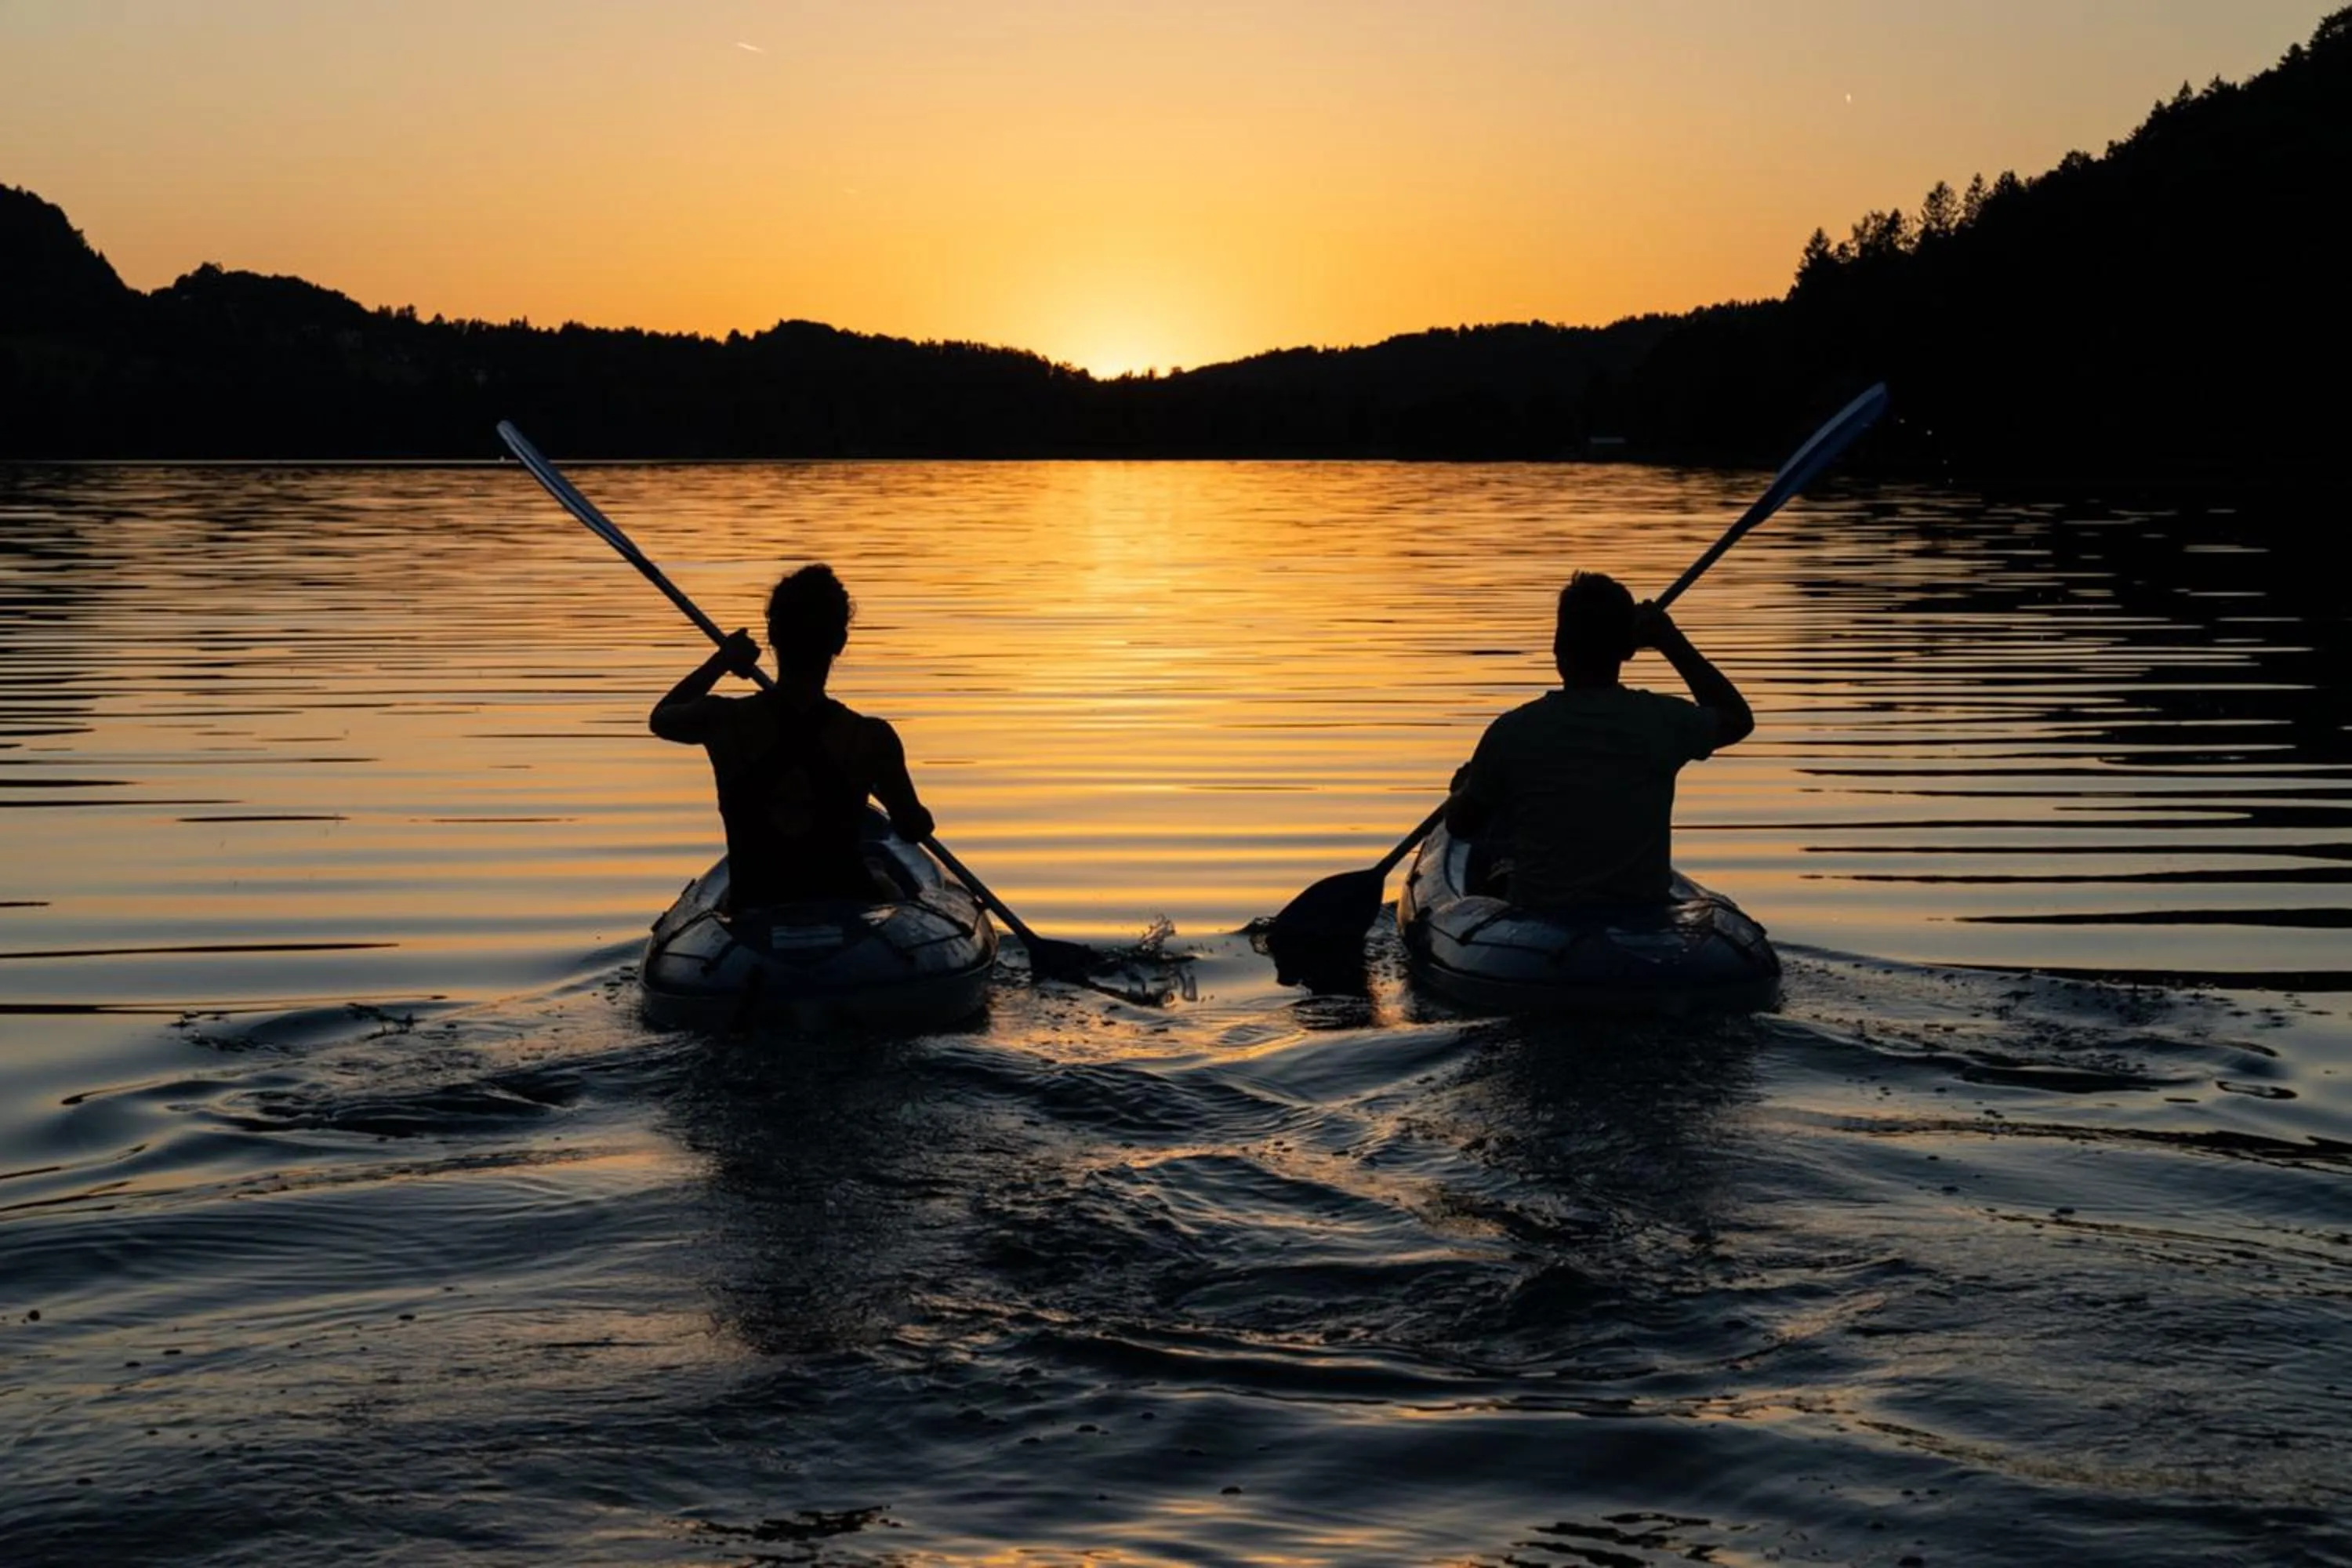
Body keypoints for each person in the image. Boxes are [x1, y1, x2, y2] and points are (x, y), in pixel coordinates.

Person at [1443, 571, 1753, 907]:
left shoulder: (1512, 732)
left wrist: (1464, 789)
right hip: (1643, 921)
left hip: (1543, 922)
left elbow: (1461, 825)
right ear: (1628, 651)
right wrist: (1671, 641)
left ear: (1557, 646)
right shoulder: (1663, 721)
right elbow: (1736, 719)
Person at [649, 564, 935, 909]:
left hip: (754, 902)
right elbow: (911, 829)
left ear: (772, 638)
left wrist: (721, 661)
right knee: (883, 879)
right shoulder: (871, 738)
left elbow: (661, 719)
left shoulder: (723, 720)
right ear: (840, 642)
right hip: (848, 902)